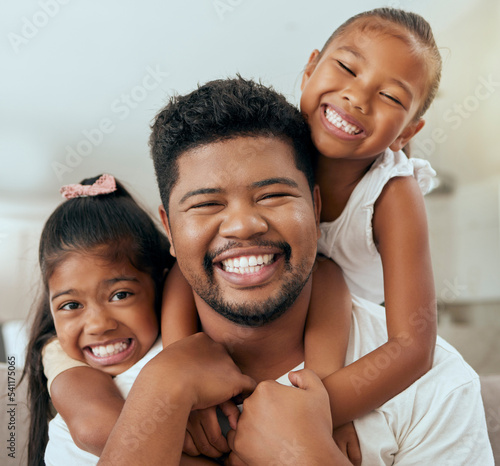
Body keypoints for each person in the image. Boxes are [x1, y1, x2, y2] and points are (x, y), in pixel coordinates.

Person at [99, 76, 493, 464]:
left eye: (273, 195)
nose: (242, 225)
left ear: (316, 208)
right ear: (168, 227)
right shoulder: (112, 387)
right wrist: (160, 391)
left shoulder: (438, 385)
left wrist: (310, 455)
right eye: (206, 205)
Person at [159, 7, 439, 458]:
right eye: (347, 68)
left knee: (326, 274)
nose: (356, 98)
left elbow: (414, 346)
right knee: (189, 263)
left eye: (390, 96)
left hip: (338, 323)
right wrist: (184, 381)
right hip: (274, 303)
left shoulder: (393, 194)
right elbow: (186, 264)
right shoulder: (274, 140)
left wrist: (324, 411)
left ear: (406, 133)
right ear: (310, 69)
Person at [22, 174, 179, 465]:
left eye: (120, 295)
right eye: (71, 304)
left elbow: (183, 267)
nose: (98, 324)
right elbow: (95, 431)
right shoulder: (61, 356)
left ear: (160, 284)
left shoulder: (178, 328)